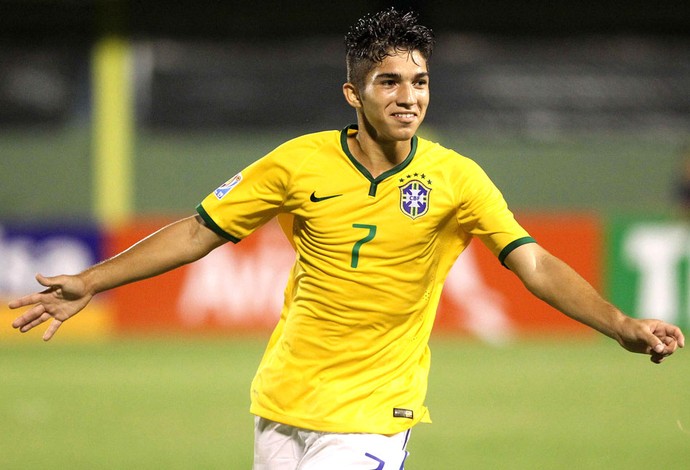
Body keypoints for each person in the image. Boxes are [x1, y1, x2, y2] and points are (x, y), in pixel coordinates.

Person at [9, 8, 684, 470]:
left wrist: (618, 323)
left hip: (373, 413)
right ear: (352, 93)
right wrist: (91, 281)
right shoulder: (295, 164)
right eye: (388, 81)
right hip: (282, 401)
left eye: (419, 82)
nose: (408, 96)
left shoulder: (456, 178)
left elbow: (531, 262)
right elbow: (196, 231)